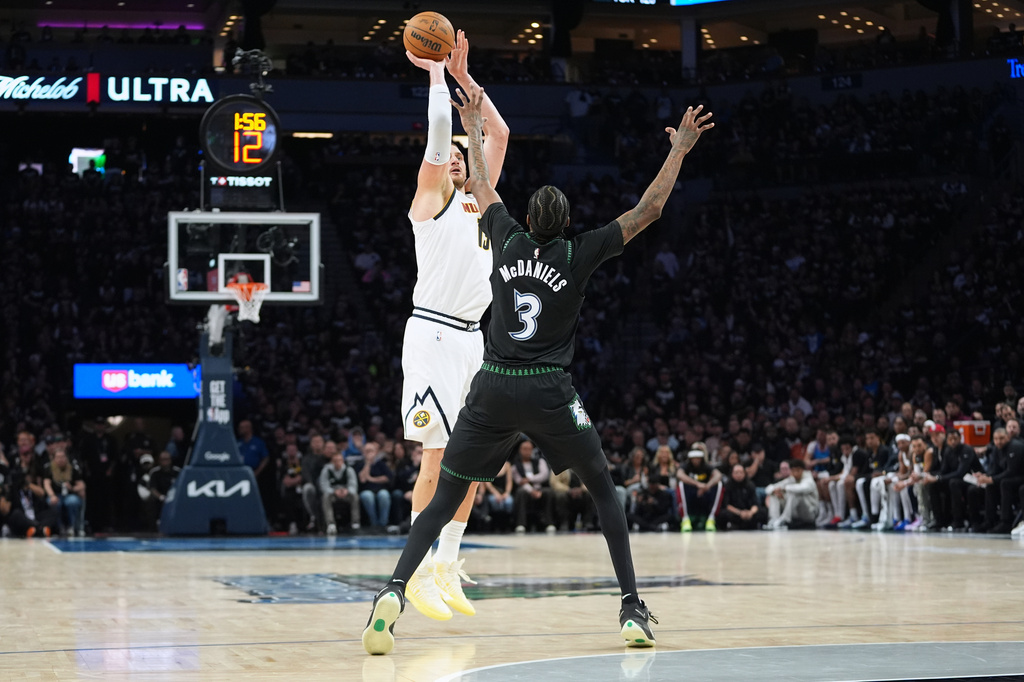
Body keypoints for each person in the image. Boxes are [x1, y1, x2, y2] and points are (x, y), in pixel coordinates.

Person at [362, 85, 713, 656]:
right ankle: (630, 609)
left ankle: (394, 589)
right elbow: (649, 209)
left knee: (448, 493)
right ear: (569, 224)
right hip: (548, 390)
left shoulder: (503, 235)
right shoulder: (579, 252)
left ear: (523, 218)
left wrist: (472, 121)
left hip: (493, 383)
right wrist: (680, 150)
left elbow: (480, 182)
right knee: (603, 492)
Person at [398, 30, 511, 621]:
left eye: (466, 159)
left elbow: (500, 133)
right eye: (452, 158)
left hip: (474, 339)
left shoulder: (480, 201)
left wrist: (469, 78)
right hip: (434, 334)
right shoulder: (429, 202)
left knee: (473, 460)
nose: (461, 159)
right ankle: (414, 570)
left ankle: (445, 565)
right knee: (438, 457)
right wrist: (437, 77)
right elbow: (442, 139)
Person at [765, 459, 818, 530]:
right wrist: (774, 490)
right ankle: (774, 520)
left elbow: (801, 488)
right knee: (774, 494)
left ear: (801, 470)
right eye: (792, 471)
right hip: (796, 513)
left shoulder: (809, 479)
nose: (793, 473)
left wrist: (784, 489)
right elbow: (769, 488)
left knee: (795, 493)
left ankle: (784, 520)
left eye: (796, 470)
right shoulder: (792, 479)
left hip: (810, 513)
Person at [320, 450, 359, 534]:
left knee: (355, 496)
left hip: (346, 493)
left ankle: (355, 522)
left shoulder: (349, 470)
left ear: (343, 461)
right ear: (332, 461)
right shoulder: (326, 470)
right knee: (326, 497)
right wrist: (334, 491)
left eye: (339, 460)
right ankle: (331, 524)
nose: (338, 462)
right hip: (333, 494)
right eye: (335, 461)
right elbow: (324, 485)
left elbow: (353, 485)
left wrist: (347, 490)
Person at [716, 463, 765, 531]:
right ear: (732, 474)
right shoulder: (728, 486)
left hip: (748, 513)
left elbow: (755, 503)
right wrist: (740, 513)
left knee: (762, 512)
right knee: (723, 514)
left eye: (741, 472)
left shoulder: (750, 485)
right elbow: (726, 505)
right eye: (736, 473)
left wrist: (750, 512)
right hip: (735, 513)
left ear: (744, 473)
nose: (739, 475)